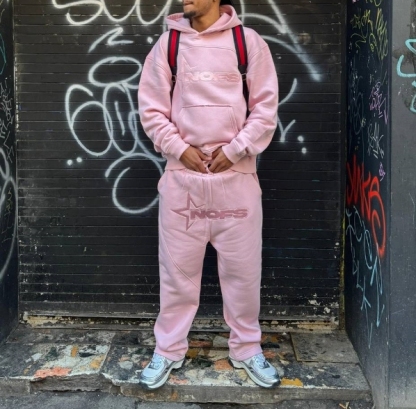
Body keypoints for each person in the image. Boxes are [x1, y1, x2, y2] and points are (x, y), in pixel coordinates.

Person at [137, 0, 279, 390]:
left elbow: (265, 108)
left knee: (243, 275)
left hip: (237, 181)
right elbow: (151, 109)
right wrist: (178, 148)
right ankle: (168, 350)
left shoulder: (246, 42)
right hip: (183, 181)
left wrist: (235, 151)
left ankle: (246, 348)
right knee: (176, 276)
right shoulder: (168, 45)